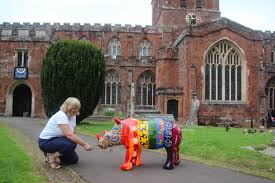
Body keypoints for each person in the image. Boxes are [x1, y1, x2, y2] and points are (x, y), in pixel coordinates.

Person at [38, 97, 92, 169]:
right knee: (71, 143)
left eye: (77, 108)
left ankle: (54, 154)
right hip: (46, 142)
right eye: (74, 108)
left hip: (58, 140)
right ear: (67, 107)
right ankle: (52, 157)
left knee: (73, 160)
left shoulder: (73, 116)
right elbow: (69, 135)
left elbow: (73, 133)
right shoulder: (61, 115)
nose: (76, 110)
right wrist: (84, 144)